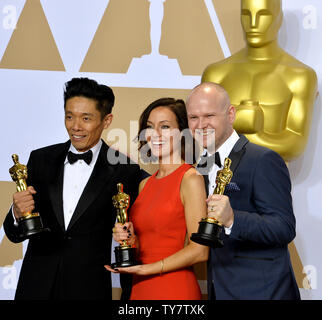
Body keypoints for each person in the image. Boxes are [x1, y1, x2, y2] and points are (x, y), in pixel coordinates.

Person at [3, 77, 142, 300]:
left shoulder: (125, 170)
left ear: (107, 120)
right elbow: (13, 233)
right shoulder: (40, 159)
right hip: (35, 286)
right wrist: (17, 213)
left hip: (89, 288)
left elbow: (135, 234)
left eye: (86, 118)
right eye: (69, 116)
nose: (75, 126)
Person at [186, 82, 300, 300]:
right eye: (193, 117)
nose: (200, 125)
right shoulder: (199, 167)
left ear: (230, 114)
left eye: (209, 115)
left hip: (264, 293)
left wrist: (232, 219)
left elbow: (284, 227)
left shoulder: (263, 159)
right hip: (220, 290)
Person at [105, 98, 209, 300]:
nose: (156, 135)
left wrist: (149, 269)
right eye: (150, 127)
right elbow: (147, 242)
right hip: (141, 287)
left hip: (174, 288)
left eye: (166, 127)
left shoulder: (190, 179)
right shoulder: (146, 184)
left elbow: (200, 251)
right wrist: (128, 239)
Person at [202, 0, 317, 162]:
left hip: (270, 181)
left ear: (279, 18)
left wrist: (243, 131)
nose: (253, 24)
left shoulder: (300, 76)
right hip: (217, 181)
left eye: (263, 15)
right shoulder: (216, 74)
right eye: (246, 15)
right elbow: (203, 137)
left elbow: (295, 145)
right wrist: (248, 127)